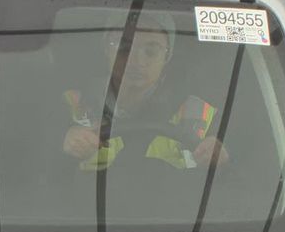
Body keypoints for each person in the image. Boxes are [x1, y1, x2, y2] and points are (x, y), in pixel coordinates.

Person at [61, 18, 230, 171]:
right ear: (107, 49)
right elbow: (49, 170)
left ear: (166, 57)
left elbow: (233, 180)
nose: (136, 61)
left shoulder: (200, 114)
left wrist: (220, 159)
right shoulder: (72, 104)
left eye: (151, 51)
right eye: (124, 47)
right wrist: (63, 142)